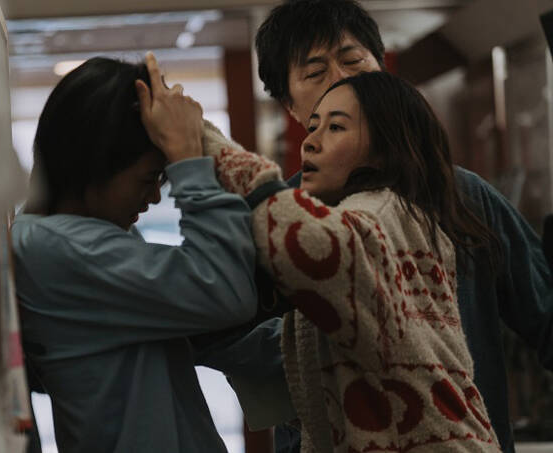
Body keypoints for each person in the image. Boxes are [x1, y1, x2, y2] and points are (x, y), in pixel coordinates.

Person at [253, 1, 553, 451]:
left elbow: (546, 315)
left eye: (353, 60)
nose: (342, 79)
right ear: (290, 107)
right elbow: (233, 340)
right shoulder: (281, 220)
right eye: (315, 73)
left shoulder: (463, 196)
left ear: (383, 69)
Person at [201, 69, 502, 452]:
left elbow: (309, 245)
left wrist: (203, 142)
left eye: (336, 127)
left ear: (385, 146)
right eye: (313, 126)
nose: (310, 142)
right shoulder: (402, 220)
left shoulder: (381, 212)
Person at [11, 55, 293, 453]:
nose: (155, 196)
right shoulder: (52, 247)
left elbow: (200, 325)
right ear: (93, 164)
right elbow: (225, 291)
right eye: (148, 179)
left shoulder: (81, 239)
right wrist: (189, 160)